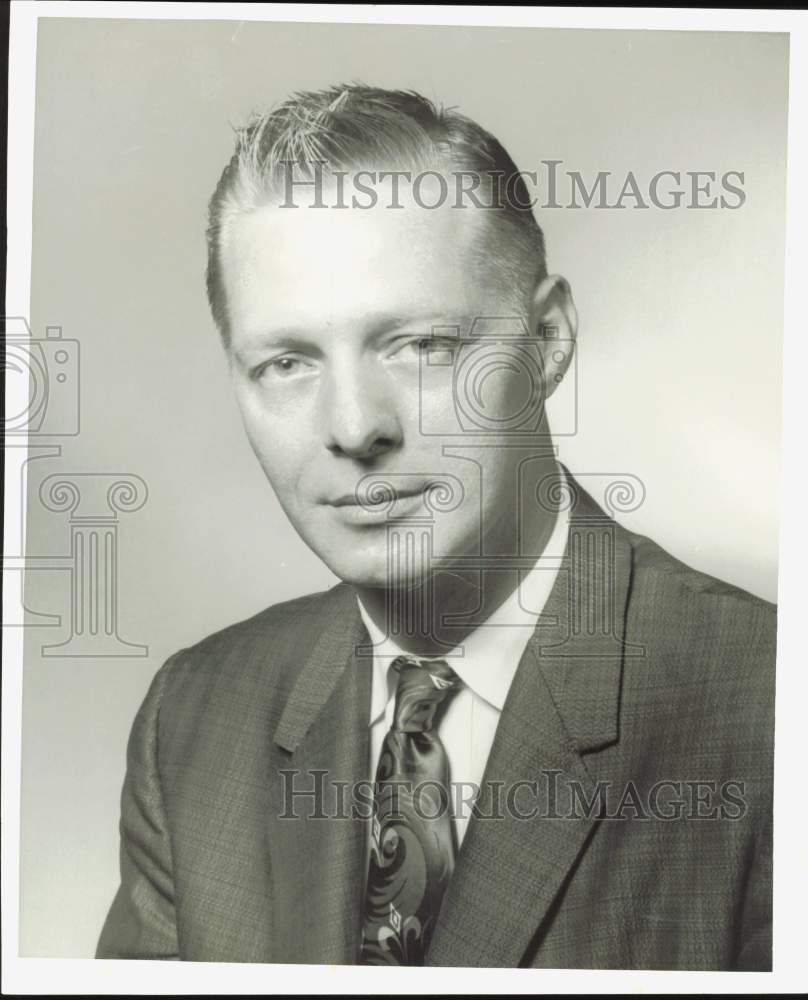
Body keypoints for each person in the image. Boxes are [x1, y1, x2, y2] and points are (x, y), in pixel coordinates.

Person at [96, 85, 775, 969]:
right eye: (286, 361)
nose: (352, 426)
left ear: (549, 339)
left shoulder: (767, 709)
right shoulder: (192, 717)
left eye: (421, 346)